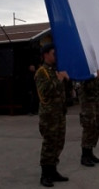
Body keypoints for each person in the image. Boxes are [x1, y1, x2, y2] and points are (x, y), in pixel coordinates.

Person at [35, 44, 69, 187]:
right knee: (49, 144)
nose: (56, 56)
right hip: (49, 116)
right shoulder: (42, 72)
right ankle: (45, 174)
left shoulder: (55, 70)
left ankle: (53, 170)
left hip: (59, 114)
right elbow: (45, 91)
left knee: (58, 143)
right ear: (45, 55)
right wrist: (59, 80)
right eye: (53, 53)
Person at [79, 69, 99, 167]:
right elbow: (86, 86)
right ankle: (85, 155)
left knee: (96, 126)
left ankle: (90, 152)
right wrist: (96, 76)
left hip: (94, 100)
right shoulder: (85, 70)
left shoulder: (95, 68)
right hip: (87, 101)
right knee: (88, 127)